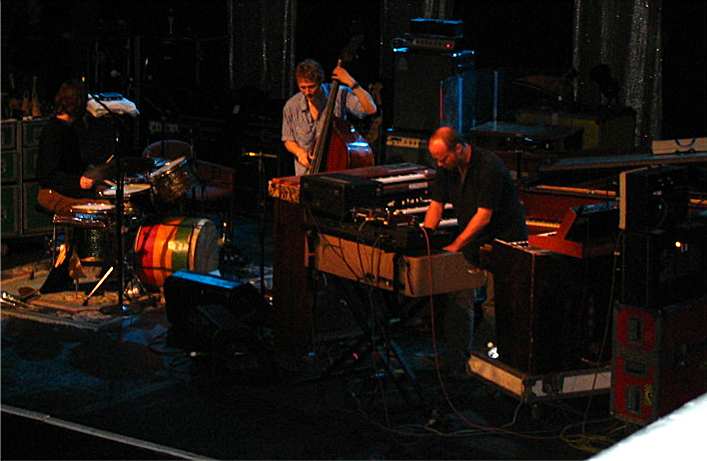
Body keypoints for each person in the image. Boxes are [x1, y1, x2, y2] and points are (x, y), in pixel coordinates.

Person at [423, 126, 527, 373]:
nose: (439, 163)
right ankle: (457, 360)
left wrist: (456, 245)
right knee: (459, 298)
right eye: (436, 158)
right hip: (473, 241)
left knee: (493, 305)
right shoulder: (447, 167)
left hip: (503, 242)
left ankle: (485, 363)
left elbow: (484, 216)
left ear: (459, 148)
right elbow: (436, 205)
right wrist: (425, 236)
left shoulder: (489, 166)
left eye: (442, 157)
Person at [281, 59, 377, 176]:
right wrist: (299, 152)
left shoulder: (339, 94)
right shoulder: (292, 106)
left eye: (311, 87)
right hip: (304, 175)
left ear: (320, 82)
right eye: (303, 87)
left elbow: (370, 109)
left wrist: (352, 83)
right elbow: (288, 139)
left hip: (335, 171)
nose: (307, 92)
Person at [36, 80, 106, 215]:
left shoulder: (72, 127)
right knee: (103, 207)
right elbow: (47, 175)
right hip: (53, 193)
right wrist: (78, 182)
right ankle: (89, 236)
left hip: (67, 189)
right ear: (79, 104)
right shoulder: (54, 131)